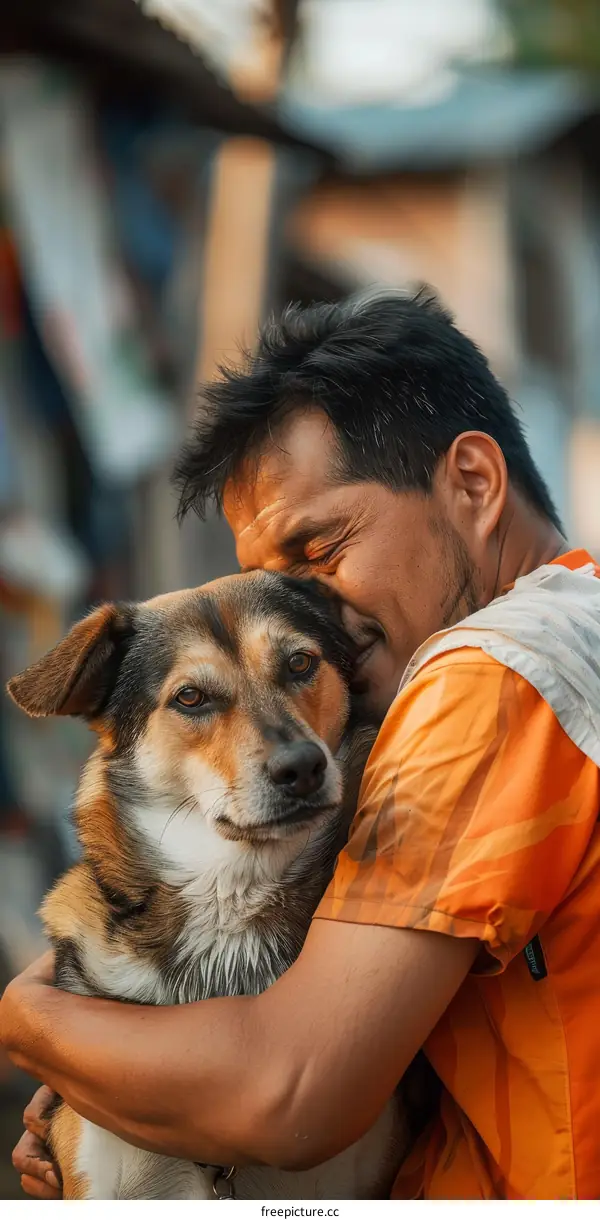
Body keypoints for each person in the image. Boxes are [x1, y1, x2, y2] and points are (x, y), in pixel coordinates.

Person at [3, 289, 600, 1200]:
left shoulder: (494, 676)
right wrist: (126, 1067)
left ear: (474, 484)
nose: (314, 608)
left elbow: (290, 1096)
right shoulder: (571, 629)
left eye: (321, 550)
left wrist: (32, 1019)